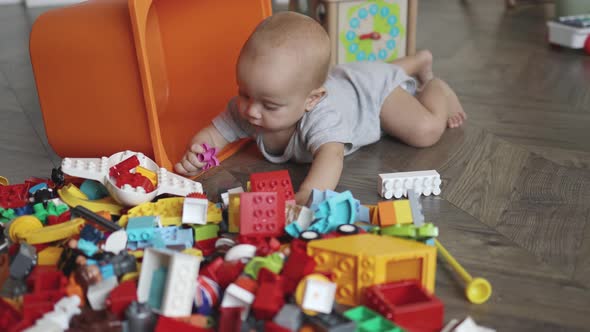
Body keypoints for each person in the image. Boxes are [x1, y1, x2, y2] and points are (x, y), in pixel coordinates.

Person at [174, 11, 465, 205]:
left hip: (373, 97)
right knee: (368, 72)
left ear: (311, 100)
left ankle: (435, 86)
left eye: (269, 105)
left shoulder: (321, 117)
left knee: (424, 131)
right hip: (349, 79)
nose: (251, 110)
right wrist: (197, 151)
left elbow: (331, 156)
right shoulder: (252, 106)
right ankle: (414, 61)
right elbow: (213, 135)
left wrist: (309, 194)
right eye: (244, 93)